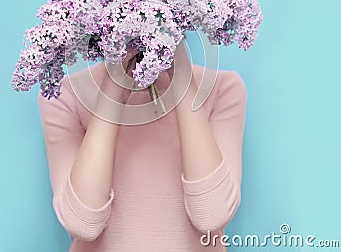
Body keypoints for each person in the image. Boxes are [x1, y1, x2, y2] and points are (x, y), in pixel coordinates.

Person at [37, 41, 247, 252]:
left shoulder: (222, 88)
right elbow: (82, 224)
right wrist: (113, 91)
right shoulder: (64, 95)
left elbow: (212, 216)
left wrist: (182, 76)